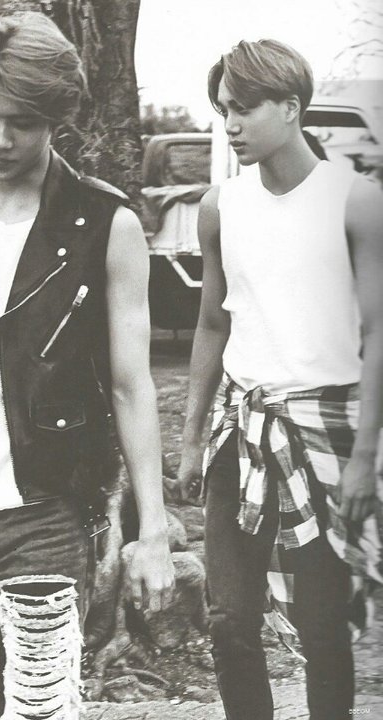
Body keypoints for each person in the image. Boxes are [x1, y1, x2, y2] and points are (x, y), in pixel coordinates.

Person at [0, 11, 173, 719]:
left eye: (20, 122)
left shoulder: (105, 223)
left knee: (40, 711)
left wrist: (153, 528)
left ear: (57, 116)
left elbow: (131, 385)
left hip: (46, 512)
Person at [178, 39, 383, 720]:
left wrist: (365, 459)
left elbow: (378, 331)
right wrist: (190, 438)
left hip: (325, 434)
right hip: (241, 432)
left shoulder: (355, 202)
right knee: (229, 620)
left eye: (244, 109)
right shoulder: (221, 206)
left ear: (291, 107)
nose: (230, 125)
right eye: (223, 110)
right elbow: (213, 322)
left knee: (323, 626)